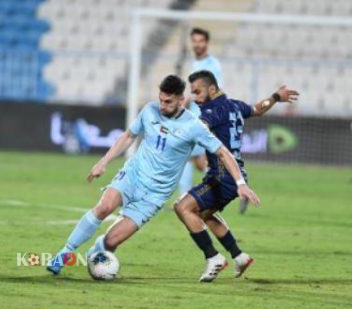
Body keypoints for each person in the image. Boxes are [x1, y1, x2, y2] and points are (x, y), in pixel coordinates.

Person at [46, 75, 259, 276]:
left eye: (168, 102)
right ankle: (64, 254)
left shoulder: (194, 126)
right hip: (133, 175)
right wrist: (104, 162)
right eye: (161, 100)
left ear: (181, 100)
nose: (162, 106)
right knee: (104, 207)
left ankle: (96, 254)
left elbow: (223, 151)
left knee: (111, 242)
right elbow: (129, 135)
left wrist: (240, 182)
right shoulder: (149, 111)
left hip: (155, 194)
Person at [174, 70, 299, 282]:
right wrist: (276, 97)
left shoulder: (212, 111)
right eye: (192, 93)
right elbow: (258, 109)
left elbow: (198, 129)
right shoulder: (234, 105)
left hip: (223, 175)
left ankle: (213, 258)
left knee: (183, 207)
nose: (194, 97)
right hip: (235, 173)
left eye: (198, 92)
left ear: (211, 89)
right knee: (202, 214)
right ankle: (239, 256)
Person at [178, 27, 224, 202]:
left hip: (204, 118)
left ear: (206, 42)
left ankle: (185, 197)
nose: (197, 44)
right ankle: (230, 185)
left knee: (186, 155)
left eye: (200, 41)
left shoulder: (213, 66)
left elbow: (215, 91)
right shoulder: (196, 64)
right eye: (194, 41)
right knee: (197, 161)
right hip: (194, 116)